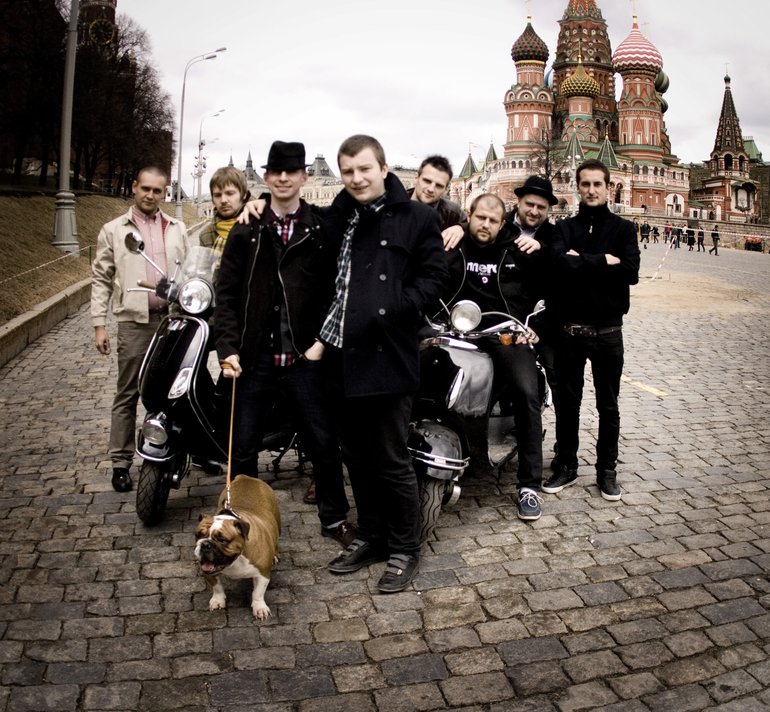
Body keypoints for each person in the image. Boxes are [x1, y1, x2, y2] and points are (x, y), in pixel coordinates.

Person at [321, 134, 447, 593]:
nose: (356, 178)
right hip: (342, 354)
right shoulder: (342, 217)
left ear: (383, 168)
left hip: (389, 354)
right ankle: (371, 536)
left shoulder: (416, 217)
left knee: (391, 459)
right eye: (348, 172)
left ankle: (404, 548)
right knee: (354, 454)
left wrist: (400, 307)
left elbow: (436, 275)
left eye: (364, 169)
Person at [214, 141, 357, 548]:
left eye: (291, 171)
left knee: (324, 443)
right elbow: (226, 294)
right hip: (255, 356)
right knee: (242, 449)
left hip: (303, 357)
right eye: (275, 171)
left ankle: (334, 519)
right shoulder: (248, 227)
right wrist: (228, 347)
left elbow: (337, 291)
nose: (282, 178)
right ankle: (240, 525)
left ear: (304, 177)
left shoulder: (319, 227)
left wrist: (321, 344)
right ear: (267, 176)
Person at [443, 188, 554, 521]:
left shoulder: (517, 248)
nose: (485, 225)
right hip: (458, 328)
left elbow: (548, 289)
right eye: (480, 218)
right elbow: (432, 280)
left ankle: (529, 485)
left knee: (525, 389)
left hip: (504, 333)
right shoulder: (455, 243)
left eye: (493, 220)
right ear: (469, 215)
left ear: (501, 221)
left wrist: (535, 324)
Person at [543, 159, 640, 501]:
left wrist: (580, 261)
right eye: (585, 184)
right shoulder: (564, 228)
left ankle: (606, 470)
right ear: (578, 187)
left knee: (608, 405)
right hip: (570, 331)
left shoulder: (624, 230)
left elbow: (630, 271)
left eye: (597, 184)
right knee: (568, 404)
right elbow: (557, 265)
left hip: (609, 332)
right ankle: (566, 465)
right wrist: (604, 261)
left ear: (608, 186)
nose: (591, 190)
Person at [91, 166, 189, 492]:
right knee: (128, 393)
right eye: (145, 188)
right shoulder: (113, 230)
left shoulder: (177, 228)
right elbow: (102, 278)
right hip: (135, 322)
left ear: (165, 193)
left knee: (175, 391)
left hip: (172, 322)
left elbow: (188, 271)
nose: (150, 195)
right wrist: (98, 324)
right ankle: (120, 463)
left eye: (157, 191)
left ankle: (176, 452)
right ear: (134, 187)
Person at [407, 155, 467, 246]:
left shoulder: (452, 213)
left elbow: (475, 228)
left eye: (439, 185)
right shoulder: (394, 205)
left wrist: (461, 228)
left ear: (446, 189)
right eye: (427, 181)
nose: (431, 189)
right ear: (416, 178)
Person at [198, 166, 250, 254]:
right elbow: (203, 266)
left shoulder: (257, 227)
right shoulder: (206, 234)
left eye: (230, 193)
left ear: (244, 195)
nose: (223, 200)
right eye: (218, 195)